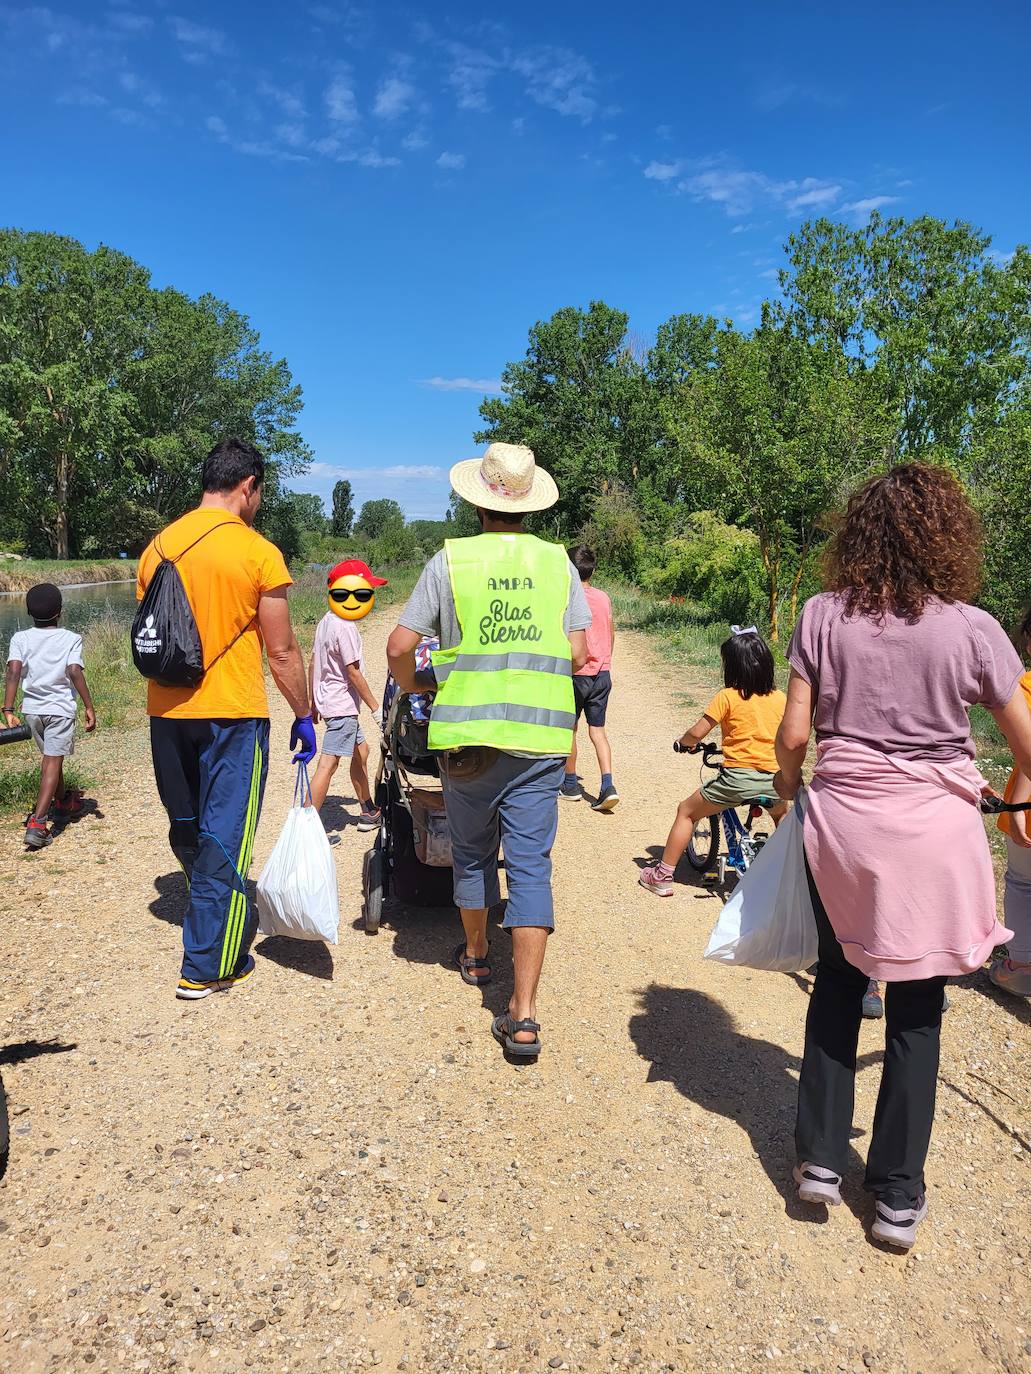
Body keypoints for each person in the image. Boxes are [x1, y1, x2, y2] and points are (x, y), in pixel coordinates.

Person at [774, 462, 1031, 1249]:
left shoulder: (820, 614)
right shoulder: (973, 627)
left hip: (843, 830)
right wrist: (1011, 793)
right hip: (934, 840)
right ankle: (894, 1196)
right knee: (917, 1010)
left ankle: (818, 1161)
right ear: (947, 539)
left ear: (859, 534)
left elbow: (791, 736)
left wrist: (789, 791)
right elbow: (1026, 740)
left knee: (839, 982)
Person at [386, 442, 590, 1059]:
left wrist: (421, 681)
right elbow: (579, 655)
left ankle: (476, 957)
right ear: (529, 504)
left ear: (476, 502)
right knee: (531, 867)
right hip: (538, 742)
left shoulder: (449, 562)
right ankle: (523, 1015)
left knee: (472, 854)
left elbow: (400, 645)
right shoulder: (559, 565)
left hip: (467, 742)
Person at [137, 437, 315, 1001]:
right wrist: (305, 713)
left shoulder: (157, 547)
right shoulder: (259, 553)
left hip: (165, 711)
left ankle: (216, 917)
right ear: (249, 486)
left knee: (188, 826)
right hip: (232, 716)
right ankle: (206, 963)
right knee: (225, 837)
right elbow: (282, 652)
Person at [639, 627, 787, 896]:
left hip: (737, 780)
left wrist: (684, 744)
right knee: (784, 817)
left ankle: (661, 875)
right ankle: (788, 872)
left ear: (732, 666)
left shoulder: (728, 696)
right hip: (775, 780)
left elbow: (697, 733)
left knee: (686, 810)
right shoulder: (780, 698)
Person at [3, 583, 96, 849]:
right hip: (60, 710)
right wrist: (89, 706)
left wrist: (8, 709)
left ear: (29, 611)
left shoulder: (20, 638)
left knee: (51, 759)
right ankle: (39, 822)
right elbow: (75, 671)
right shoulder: (70, 638)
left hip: (32, 711)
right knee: (52, 762)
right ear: (59, 612)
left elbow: (13, 672)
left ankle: (64, 801)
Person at [309, 558, 386, 831]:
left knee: (361, 751)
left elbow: (314, 662)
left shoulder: (326, 622)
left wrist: (313, 700)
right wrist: (377, 709)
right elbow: (353, 672)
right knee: (328, 765)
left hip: (332, 701)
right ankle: (307, 830)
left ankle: (367, 810)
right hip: (342, 706)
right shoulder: (345, 626)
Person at [990, 603, 1031, 997]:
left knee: (1021, 882)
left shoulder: (1024, 687)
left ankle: (1020, 964)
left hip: (1028, 806)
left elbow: (1026, 754)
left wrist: (1017, 806)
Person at [561, 546, 618, 811]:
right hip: (602, 673)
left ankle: (570, 784)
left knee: (569, 729)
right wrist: (606, 661)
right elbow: (611, 631)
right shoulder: (603, 597)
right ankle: (608, 784)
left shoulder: (567, 597)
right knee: (598, 732)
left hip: (576, 674)